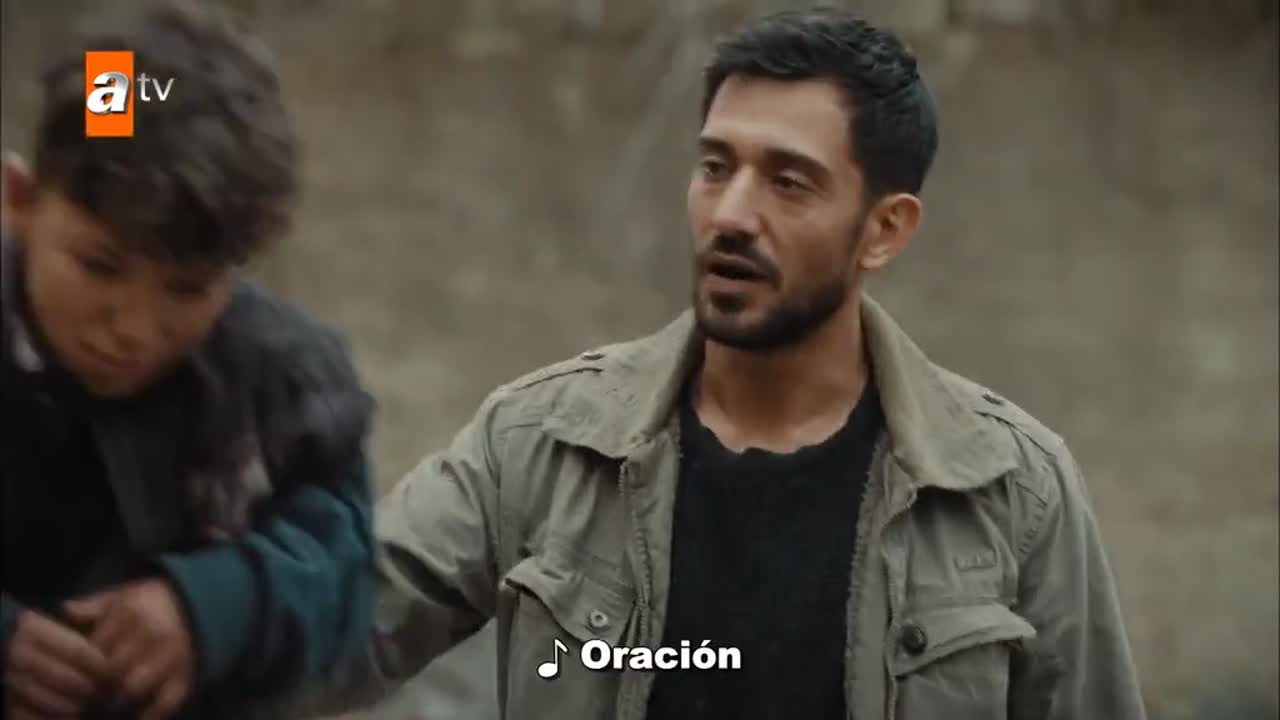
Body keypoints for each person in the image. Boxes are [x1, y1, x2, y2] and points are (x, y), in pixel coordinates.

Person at [273, 7, 1148, 720]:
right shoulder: (541, 443)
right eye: (715, 167)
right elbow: (321, 634)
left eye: (788, 182)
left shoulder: (1011, 490)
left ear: (884, 230)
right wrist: (210, 610)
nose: (731, 214)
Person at [0, 2, 377, 718]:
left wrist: (214, 605)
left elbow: (345, 568)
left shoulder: (281, 385)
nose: (133, 330)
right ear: (19, 202)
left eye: (187, 289)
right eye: (99, 266)